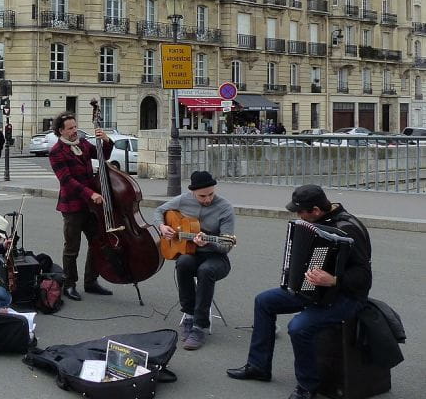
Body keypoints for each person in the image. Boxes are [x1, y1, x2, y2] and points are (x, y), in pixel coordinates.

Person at [226, 185, 372, 399]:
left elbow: (364, 277)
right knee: (264, 301)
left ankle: (307, 387)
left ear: (315, 210)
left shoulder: (348, 229)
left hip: (346, 297)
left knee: (299, 327)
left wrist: (334, 280)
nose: (298, 216)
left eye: (300, 212)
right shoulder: (315, 222)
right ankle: (259, 366)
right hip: (312, 290)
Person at [152, 170, 235, 350]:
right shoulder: (183, 200)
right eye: (202, 196)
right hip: (191, 253)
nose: (207, 199)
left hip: (217, 257)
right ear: (192, 193)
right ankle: (189, 315)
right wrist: (162, 226)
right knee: (183, 263)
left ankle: (200, 326)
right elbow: (159, 210)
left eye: (211, 194)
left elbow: (227, 245)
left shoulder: (225, 207)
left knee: (206, 270)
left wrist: (208, 243)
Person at [47, 111, 114, 301]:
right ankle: (69, 284)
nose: (75, 131)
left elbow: (103, 156)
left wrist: (106, 140)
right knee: (72, 248)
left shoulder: (82, 144)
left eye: (75, 127)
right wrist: (90, 193)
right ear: (61, 130)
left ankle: (91, 281)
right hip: (72, 206)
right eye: (70, 128)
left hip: (91, 206)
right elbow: (67, 180)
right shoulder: (56, 152)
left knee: (97, 243)